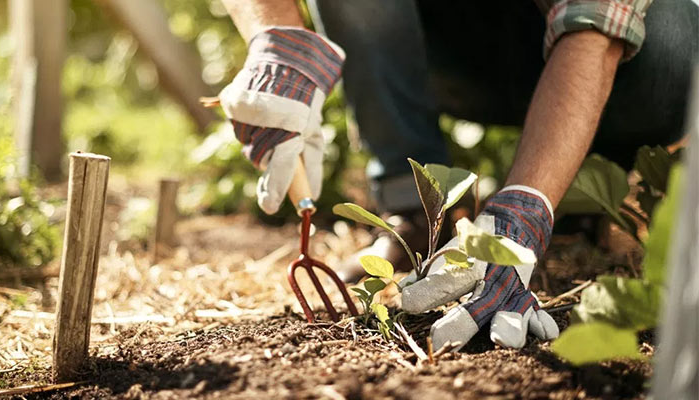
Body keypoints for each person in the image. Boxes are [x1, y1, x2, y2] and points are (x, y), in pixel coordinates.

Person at [215, 0, 699, 351]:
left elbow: (596, 23)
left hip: (623, 53)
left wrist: (525, 208)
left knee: (670, 39)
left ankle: (579, 189)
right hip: (449, 50)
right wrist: (275, 36)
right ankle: (415, 209)